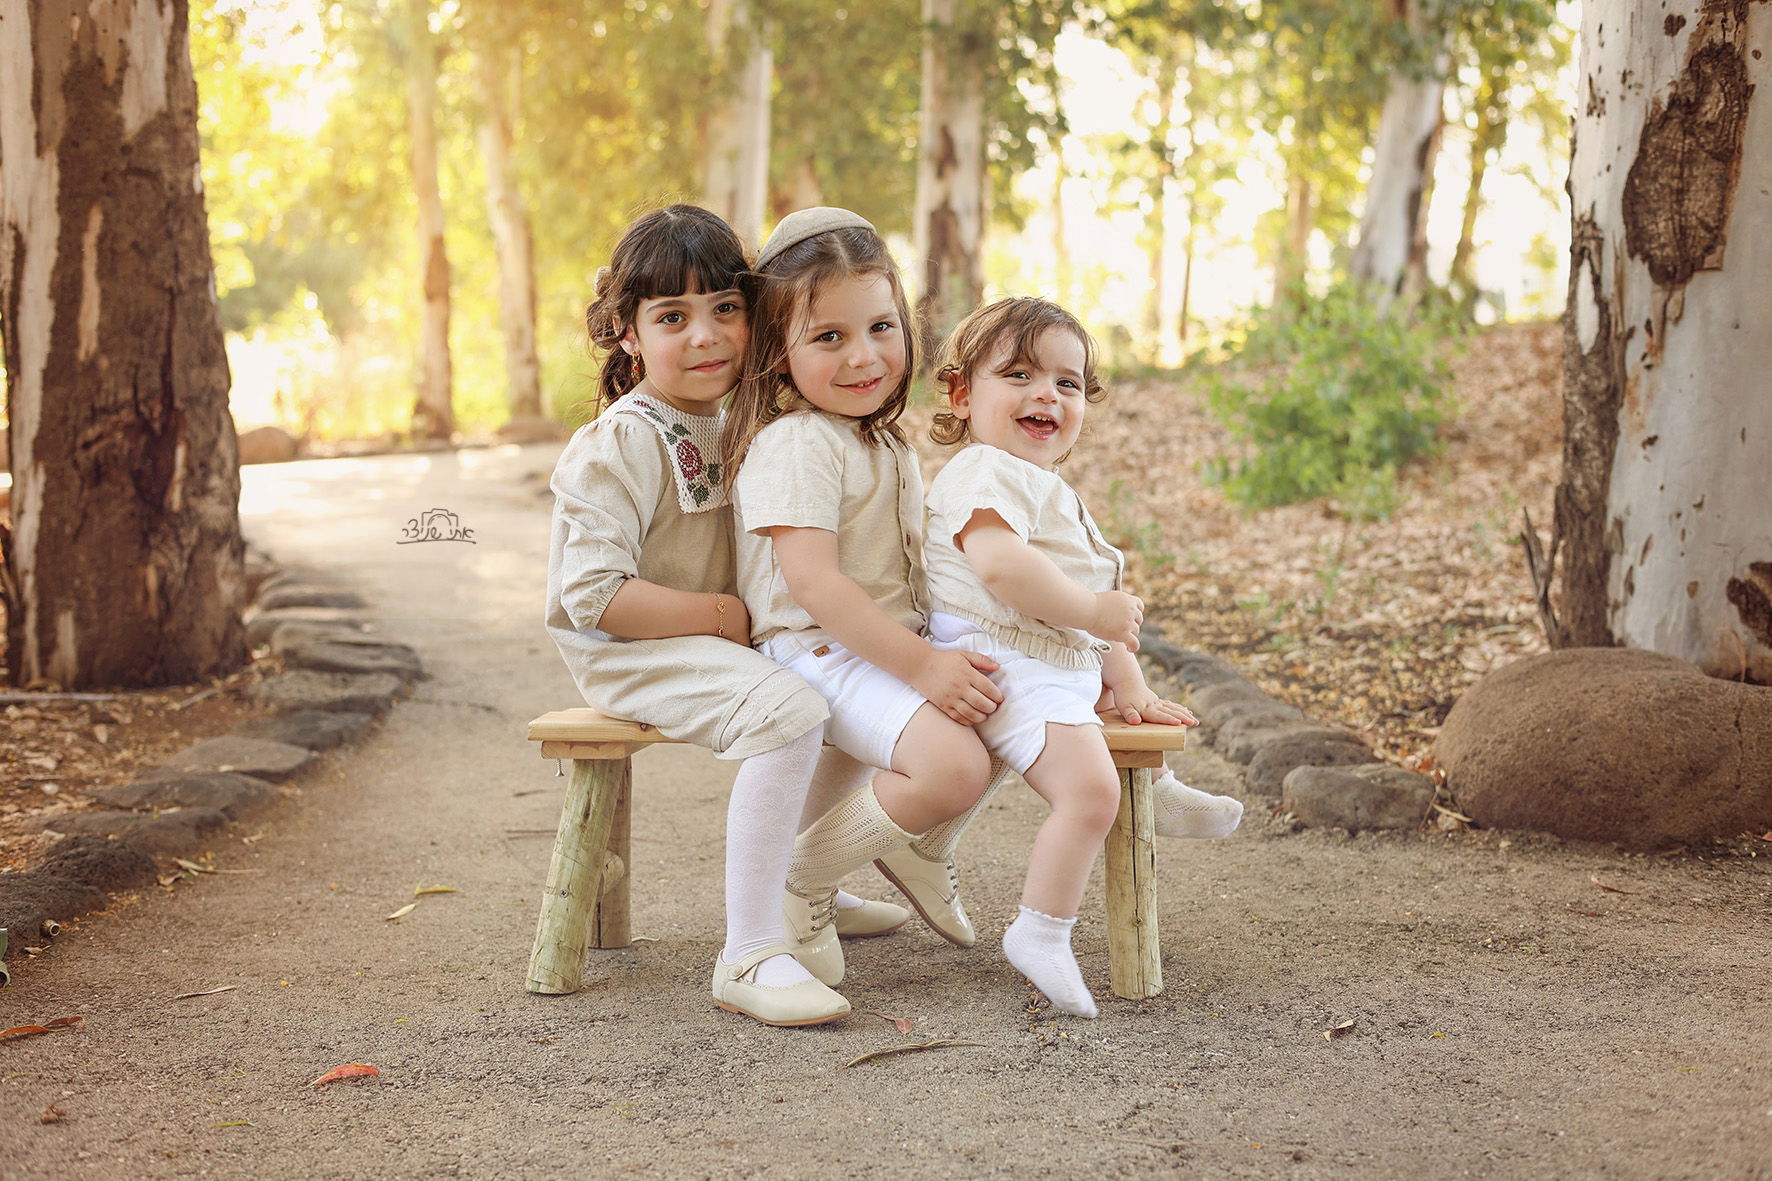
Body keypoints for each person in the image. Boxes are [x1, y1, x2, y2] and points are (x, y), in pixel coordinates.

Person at [545, 204, 896, 1029]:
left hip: (720, 636)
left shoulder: (749, 415)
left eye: (726, 310)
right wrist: (719, 613)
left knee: (848, 678)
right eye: (672, 317)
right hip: (627, 647)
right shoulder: (619, 442)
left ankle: (797, 877)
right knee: (793, 707)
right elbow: (591, 594)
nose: (705, 336)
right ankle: (749, 948)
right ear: (628, 334)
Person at [921, 297, 1244, 1017]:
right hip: (997, 659)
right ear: (963, 394)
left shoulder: (1037, 483)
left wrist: (1125, 677)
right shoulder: (982, 471)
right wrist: (1097, 613)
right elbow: (1003, 570)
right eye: (1019, 373)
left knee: (1122, 720)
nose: (1047, 394)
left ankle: (1153, 786)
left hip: (1038, 652)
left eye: (1067, 384)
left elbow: (1079, 603)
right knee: (1090, 791)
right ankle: (1039, 929)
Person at [722, 207, 1003, 990]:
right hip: (815, 649)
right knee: (951, 767)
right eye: (829, 337)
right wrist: (923, 667)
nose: (864, 356)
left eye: (881, 326)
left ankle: (908, 847)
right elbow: (814, 583)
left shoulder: (882, 438)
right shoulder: (797, 442)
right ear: (780, 354)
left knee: (1006, 689)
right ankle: (796, 880)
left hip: (878, 642)